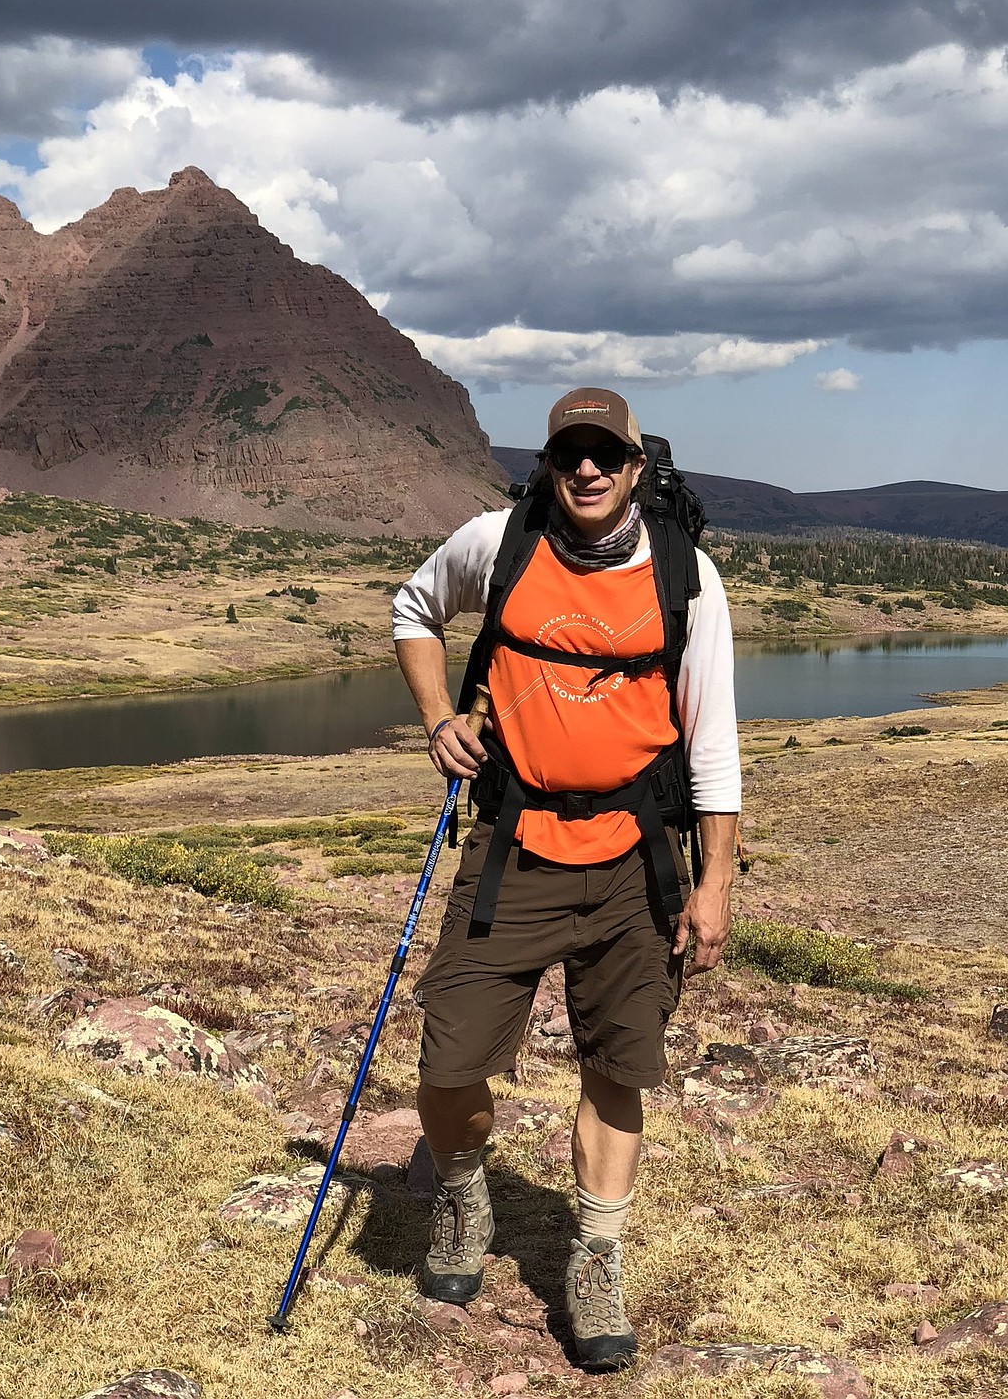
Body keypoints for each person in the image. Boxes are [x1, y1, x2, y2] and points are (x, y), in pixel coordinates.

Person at [392, 387, 740, 1371]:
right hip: (512, 848)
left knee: (618, 1067)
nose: (586, 469)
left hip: (636, 866)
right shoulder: (496, 543)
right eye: (568, 454)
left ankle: (595, 1256)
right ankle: (462, 1192)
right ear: (549, 464)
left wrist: (713, 886)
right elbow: (414, 608)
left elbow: (712, 744)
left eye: (605, 455)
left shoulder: (687, 575)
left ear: (636, 467)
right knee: (449, 1055)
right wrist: (437, 720)